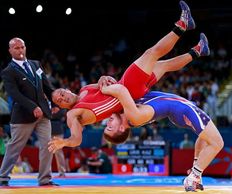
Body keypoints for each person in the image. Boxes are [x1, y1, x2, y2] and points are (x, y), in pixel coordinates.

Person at [48, 1, 210, 152]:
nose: (63, 98)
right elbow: (76, 139)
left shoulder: (84, 89)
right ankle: (183, 24)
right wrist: (65, 142)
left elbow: (104, 84)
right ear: (61, 108)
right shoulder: (73, 115)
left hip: (129, 91)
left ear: (67, 89)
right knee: (151, 53)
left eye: (62, 93)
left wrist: (102, 77)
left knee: (163, 65)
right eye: (59, 101)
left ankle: (198, 50)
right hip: (128, 87)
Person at [99, 83, 224, 192]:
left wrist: (102, 81)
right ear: (121, 129)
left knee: (206, 137)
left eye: (107, 126)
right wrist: (104, 88)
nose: (107, 123)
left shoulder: (127, 110)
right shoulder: (132, 115)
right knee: (217, 143)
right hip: (182, 109)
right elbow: (120, 89)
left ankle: (195, 172)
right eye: (110, 127)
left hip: (180, 110)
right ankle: (194, 176)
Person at [0, 37, 59, 186]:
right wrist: (33, 107)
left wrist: (54, 102)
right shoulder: (8, 72)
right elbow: (15, 94)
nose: (20, 50)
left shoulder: (35, 64)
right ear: (10, 50)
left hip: (44, 114)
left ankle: (45, 179)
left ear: (25, 48)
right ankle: (2, 177)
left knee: (47, 146)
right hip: (22, 116)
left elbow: (47, 86)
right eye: (16, 48)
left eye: (22, 47)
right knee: (14, 148)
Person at [51, 108, 67, 177]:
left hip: (57, 128)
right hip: (48, 127)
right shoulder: (47, 100)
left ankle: (62, 172)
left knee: (59, 151)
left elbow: (63, 113)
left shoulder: (60, 103)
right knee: (46, 151)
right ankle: (46, 172)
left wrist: (50, 113)